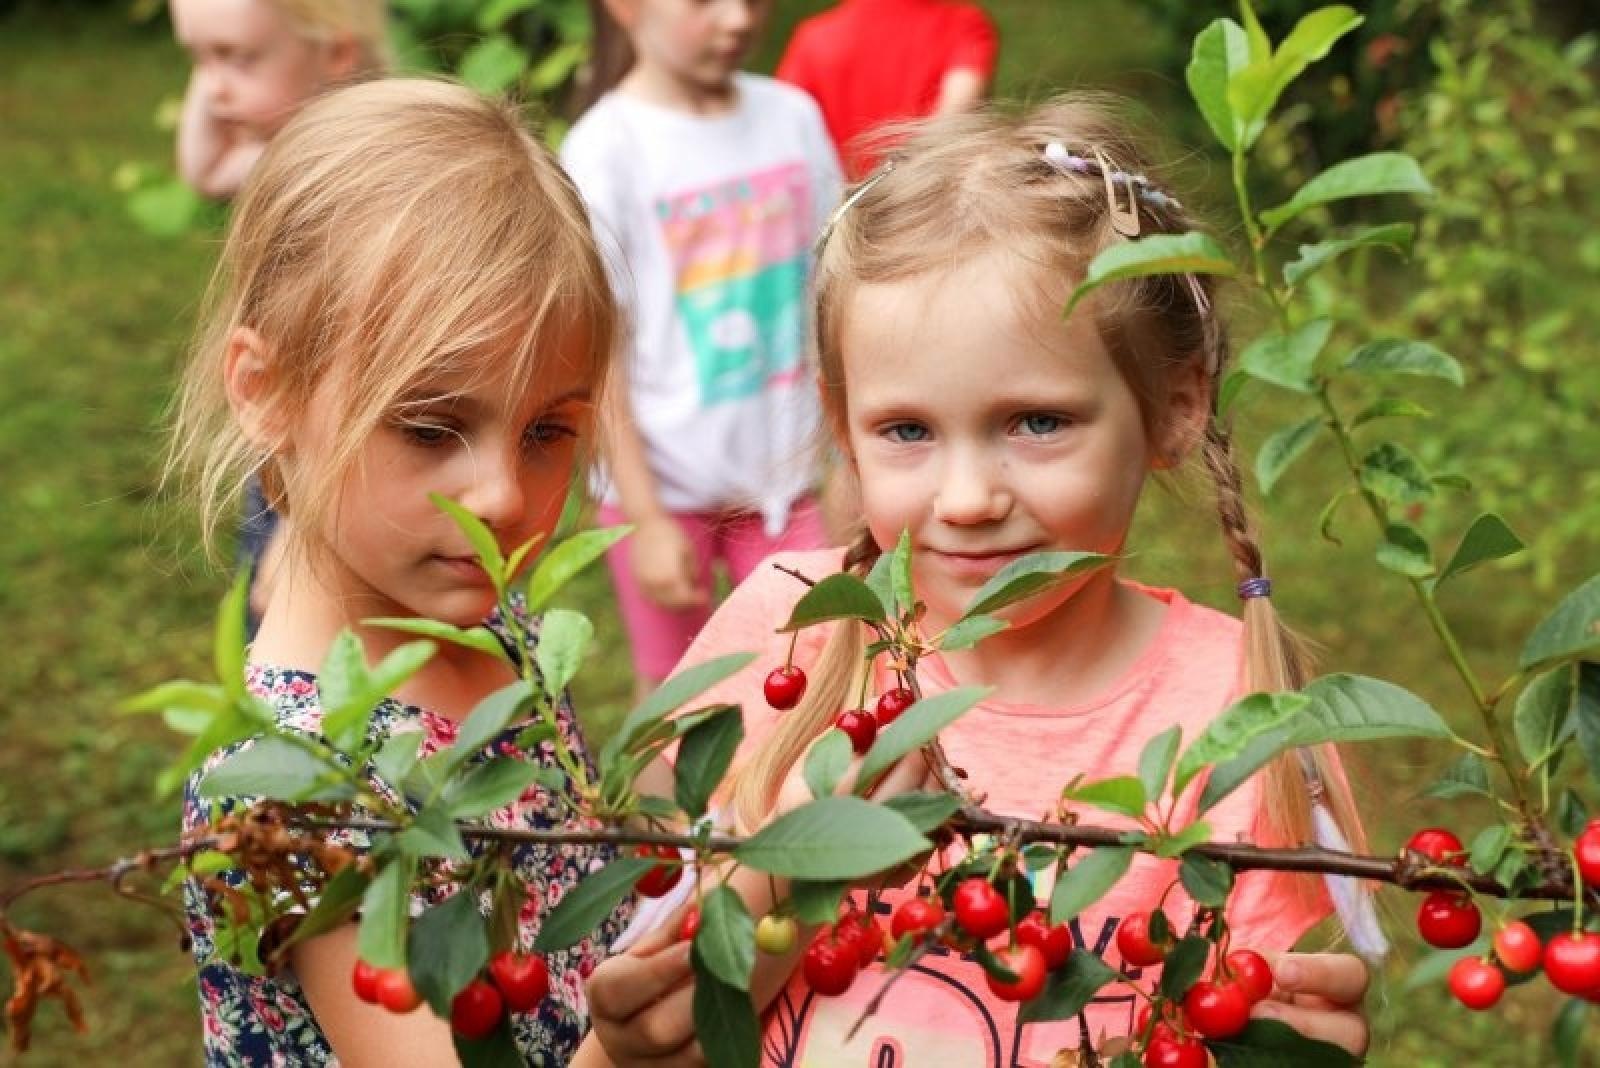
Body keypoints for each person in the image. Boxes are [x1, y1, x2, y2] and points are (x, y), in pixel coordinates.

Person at [579, 96, 1375, 1066]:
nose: (963, 498)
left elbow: (1244, 1022)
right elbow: (662, 1011)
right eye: (906, 430)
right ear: (843, 427)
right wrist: (793, 872)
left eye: (1036, 422)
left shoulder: (1245, 725)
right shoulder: (782, 630)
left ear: (1173, 408)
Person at [167, 78, 633, 1066]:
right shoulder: (288, 795)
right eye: (431, 428)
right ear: (266, 391)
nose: (504, 497)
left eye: (549, 430)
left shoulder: (485, 624)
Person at [560, 0, 843, 702]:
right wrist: (648, 519)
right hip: (664, 492)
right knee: (677, 695)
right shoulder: (606, 150)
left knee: (815, 676)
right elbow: (600, 353)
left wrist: (848, 461)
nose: (736, 20)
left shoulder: (792, 118)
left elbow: (838, 290)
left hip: (791, 482)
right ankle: (671, 820)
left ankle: (792, 815)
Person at [170, 0, 390, 633]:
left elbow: (353, 365)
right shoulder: (281, 152)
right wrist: (219, 53)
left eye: (238, 57)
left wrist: (301, 523)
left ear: (335, 51)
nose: (213, 88)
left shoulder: (360, 182)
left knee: (302, 621)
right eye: (196, 60)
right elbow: (205, 169)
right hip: (283, 435)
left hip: (332, 461)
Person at [776, 0, 998, 177]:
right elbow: (953, 121)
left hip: (843, 209)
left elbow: (787, 130)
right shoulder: (962, 25)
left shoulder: (813, 37)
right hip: (924, 204)